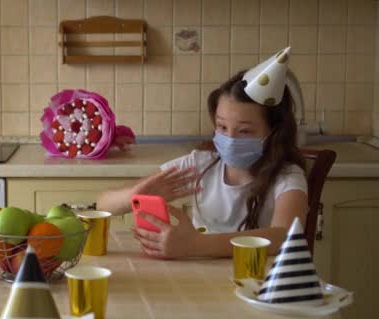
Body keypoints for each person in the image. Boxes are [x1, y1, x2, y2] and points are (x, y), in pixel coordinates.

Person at [96, 47, 308, 259]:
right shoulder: (198, 165)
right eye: (222, 127)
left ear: (274, 132)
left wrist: (198, 245)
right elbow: (103, 204)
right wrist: (133, 195)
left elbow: (284, 237)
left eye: (244, 131)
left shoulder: (287, 176)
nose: (230, 139)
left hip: (257, 283)